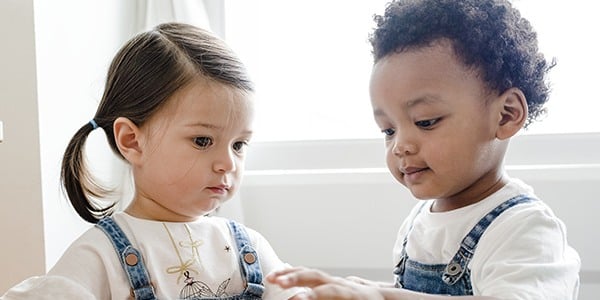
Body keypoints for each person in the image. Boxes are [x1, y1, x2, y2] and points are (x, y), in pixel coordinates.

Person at [267, 0, 581, 299]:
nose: (400, 145)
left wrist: (381, 296)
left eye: (426, 121)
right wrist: (360, 290)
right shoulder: (419, 221)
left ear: (506, 114)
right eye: (388, 130)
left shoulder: (525, 229)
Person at [2, 22, 303, 300]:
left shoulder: (249, 248)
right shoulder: (100, 254)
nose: (227, 163)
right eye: (202, 141)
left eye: (239, 144)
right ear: (132, 140)